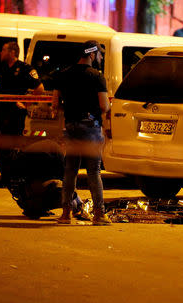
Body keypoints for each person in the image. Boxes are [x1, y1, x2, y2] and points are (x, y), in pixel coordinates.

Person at [53, 40, 111, 226]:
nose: (100, 57)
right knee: (94, 171)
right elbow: (104, 105)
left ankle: (65, 214)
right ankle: (99, 215)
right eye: (99, 54)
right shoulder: (97, 76)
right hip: (91, 126)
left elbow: (55, 105)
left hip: (70, 126)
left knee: (70, 170)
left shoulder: (63, 75)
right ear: (92, 54)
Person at [0, 42, 44, 188]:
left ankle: (13, 178)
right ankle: (5, 177)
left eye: (3, 50)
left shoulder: (24, 69)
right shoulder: (2, 68)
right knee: (1, 147)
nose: (1, 53)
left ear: (12, 52)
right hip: (1, 112)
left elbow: (39, 88)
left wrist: (26, 103)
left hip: (15, 114)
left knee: (12, 147)